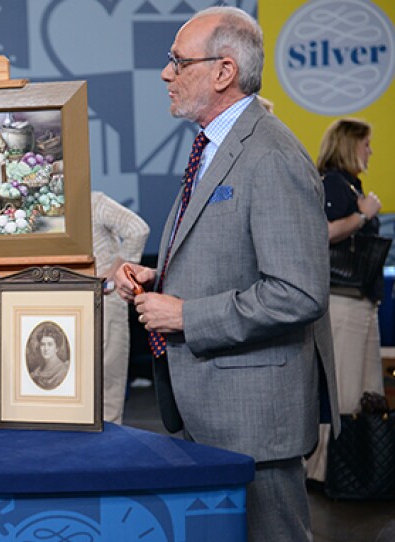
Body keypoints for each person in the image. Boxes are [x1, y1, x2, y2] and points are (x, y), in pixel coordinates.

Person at [111, 7, 338, 541]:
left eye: (177, 62)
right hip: (212, 411)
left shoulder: (271, 155)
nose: (166, 74)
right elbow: (220, 258)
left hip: (254, 422)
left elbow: (300, 292)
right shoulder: (216, 148)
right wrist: (155, 283)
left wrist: (186, 314)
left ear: (223, 71)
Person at [305, 118, 384, 484]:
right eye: (365, 144)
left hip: (361, 301)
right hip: (341, 301)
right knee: (344, 391)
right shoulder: (334, 184)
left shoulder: (352, 185)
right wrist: (362, 215)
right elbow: (320, 233)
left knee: (364, 389)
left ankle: (353, 469)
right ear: (350, 144)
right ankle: (325, 472)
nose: (370, 151)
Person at [91, 191, 150, 423]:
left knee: (107, 397)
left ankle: (108, 456)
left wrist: (116, 271)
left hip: (106, 299)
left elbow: (138, 230)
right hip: (76, 305)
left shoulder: (93, 202)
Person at [27, 321, 70, 390]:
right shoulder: (36, 372)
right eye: (43, 344)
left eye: (50, 344)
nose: (46, 349)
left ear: (56, 348)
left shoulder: (62, 371)